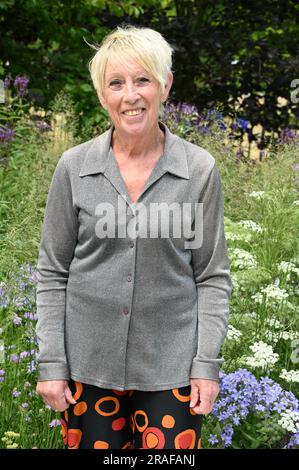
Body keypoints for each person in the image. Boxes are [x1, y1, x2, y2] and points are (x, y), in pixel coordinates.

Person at [35, 24, 233, 450]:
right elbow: (52, 272)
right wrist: (51, 362)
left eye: (143, 79)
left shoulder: (198, 170)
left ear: (165, 86)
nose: (131, 95)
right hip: (88, 370)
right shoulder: (74, 168)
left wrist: (206, 364)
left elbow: (212, 277)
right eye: (117, 83)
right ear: (103, 94)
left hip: (173, 369)